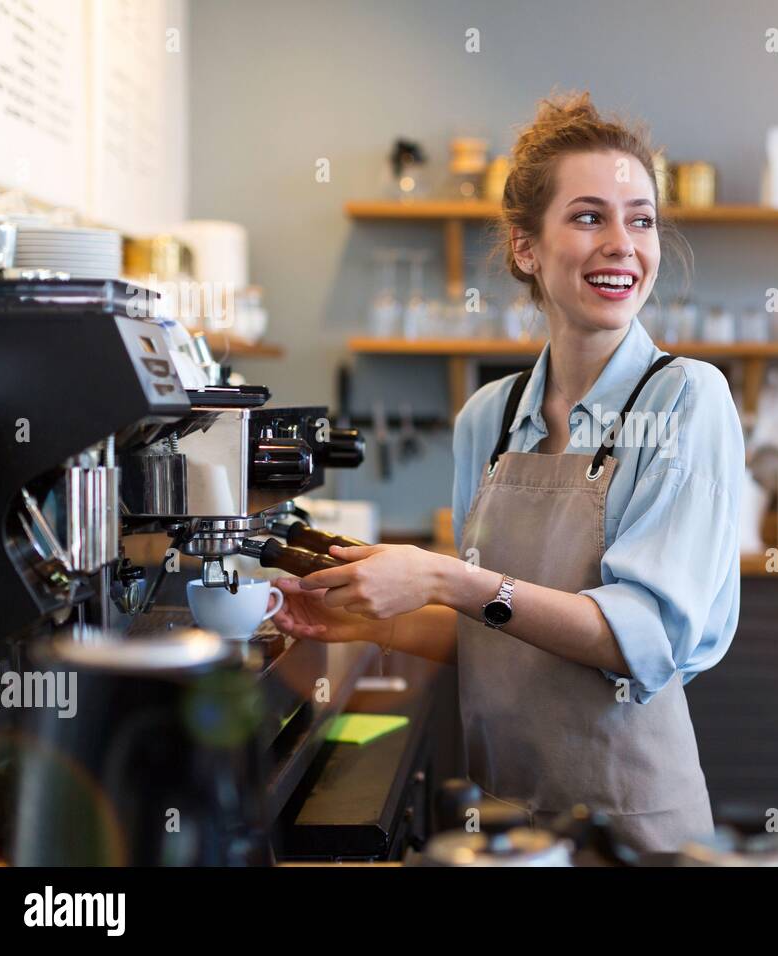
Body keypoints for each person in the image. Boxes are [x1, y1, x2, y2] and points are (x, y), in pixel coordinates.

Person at [273, 90, 743, 852]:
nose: (623, 242)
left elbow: (642, 638)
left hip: (627, 824)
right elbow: (494, 632)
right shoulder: (487, 416)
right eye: (590, 216)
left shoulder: (688, 398)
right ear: (527, 248)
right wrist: (369, 619)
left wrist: (443, 579)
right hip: (498, 820)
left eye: (642, 218)